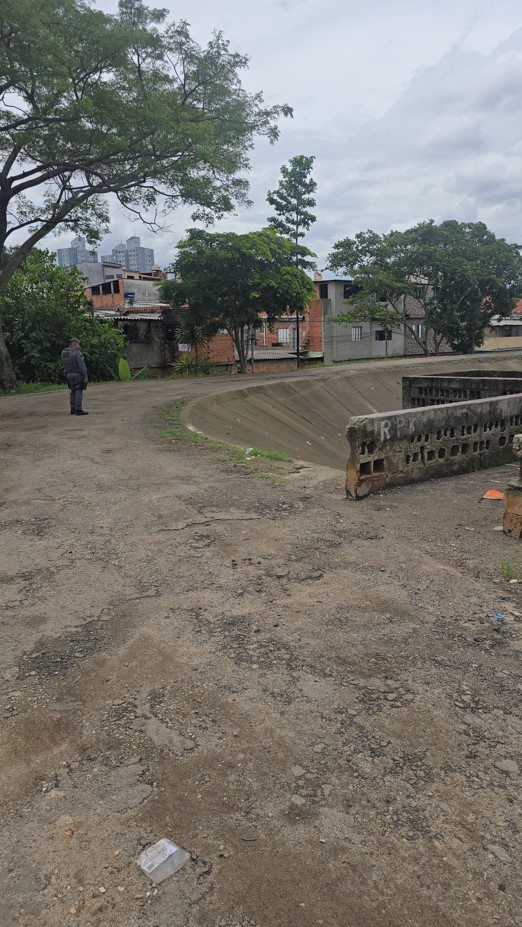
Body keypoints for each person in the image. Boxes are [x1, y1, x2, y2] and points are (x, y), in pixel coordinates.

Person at [61, 337, 89, 415]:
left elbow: (64, 364)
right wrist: (85, 376)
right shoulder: (77, 353)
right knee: (78, 390)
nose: (79, 345)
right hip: (78, 375)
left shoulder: (64, 352)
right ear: (75, 344)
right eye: (78, 344)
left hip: (69, 374)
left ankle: (72, 409)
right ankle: (78, 410)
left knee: (72, 390)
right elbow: (82, 366)